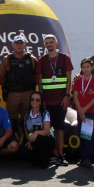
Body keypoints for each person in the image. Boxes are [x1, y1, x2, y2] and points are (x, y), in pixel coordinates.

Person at [36, 35, 74, 165]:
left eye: (51, 42)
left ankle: (60, 154)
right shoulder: (42, 60)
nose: (49, 45)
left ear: (56, 43)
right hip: (47, 101)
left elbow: (69, 79)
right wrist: (42, 100)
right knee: (47, 128)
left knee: (59, 128)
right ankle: (51, 153)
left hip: (60, 100)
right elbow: (40, 82)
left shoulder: (64, 58)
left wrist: (67, 96)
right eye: (47, 43)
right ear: (44, 45)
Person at [0, 35, 38, 126]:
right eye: (17, 43)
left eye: (21, 43)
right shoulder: (7, 59)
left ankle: (28, 138)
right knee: (11, 120)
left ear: (25, 45)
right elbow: (0, 78)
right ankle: (12, 139)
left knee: (28, 118)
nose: (19, 45)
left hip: (28, 94)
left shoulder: (32, 59)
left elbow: (37, 77)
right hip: (13, 94)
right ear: (13, 45)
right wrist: (8, 87)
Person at [72, 58, 94, 168]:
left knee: (89, 135)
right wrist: (80, 110)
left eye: (88, 67)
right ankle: (82, 157)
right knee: (82, 134)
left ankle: (87, 158)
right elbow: (75, 95)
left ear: (92, 67)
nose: (86, 69)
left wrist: (85, 109)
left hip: (91, 112)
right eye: (83, 67)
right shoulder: (78, 80)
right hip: (81, 112)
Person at [21, 91, 55, 169]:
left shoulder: (45, 113)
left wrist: (37, 133)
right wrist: (29, 141)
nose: (34, 101)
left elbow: (46, 131)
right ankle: (36, 158)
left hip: (47, 139)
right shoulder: (26, 115)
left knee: (39, 139)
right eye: (32, 99)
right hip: (33, 140)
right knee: (24, 149)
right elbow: (26, 132)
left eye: (37, 100)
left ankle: (45, 161)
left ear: (41, 102)